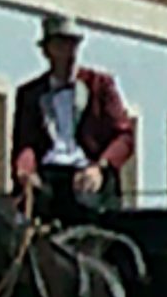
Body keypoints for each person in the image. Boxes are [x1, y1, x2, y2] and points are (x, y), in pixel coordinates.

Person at [7, 14, 135, 223]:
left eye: (73, 45)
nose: (69, 53)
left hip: (86, 174)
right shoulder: (31, 94)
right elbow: (25, 143)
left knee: (85, 204)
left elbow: (124, 137)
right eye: (62, 46)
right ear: (47, 51)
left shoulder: (100, 85)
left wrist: (100, 167)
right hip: (48, 177)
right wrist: (25, 170)